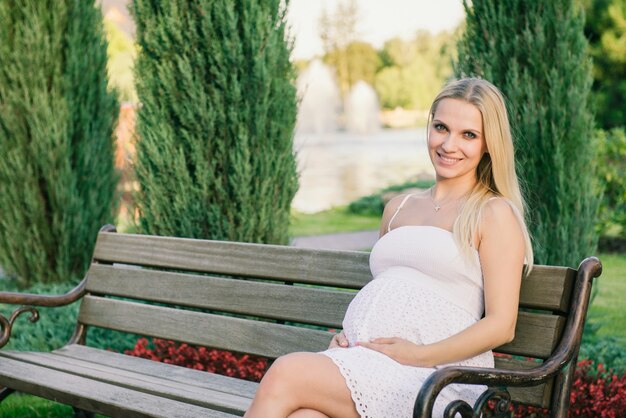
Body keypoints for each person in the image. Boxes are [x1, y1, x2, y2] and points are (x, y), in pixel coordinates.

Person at [244, 77, 534, 418]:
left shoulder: (492, 213)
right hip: (365, 362)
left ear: (488, 144)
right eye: (441, 127)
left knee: (286, 372)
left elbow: (502, 324)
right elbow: (389, 289)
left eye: (468, 134)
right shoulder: (398, 207)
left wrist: (419, 354)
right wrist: (346, 335)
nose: (449, 144)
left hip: (434, 378)